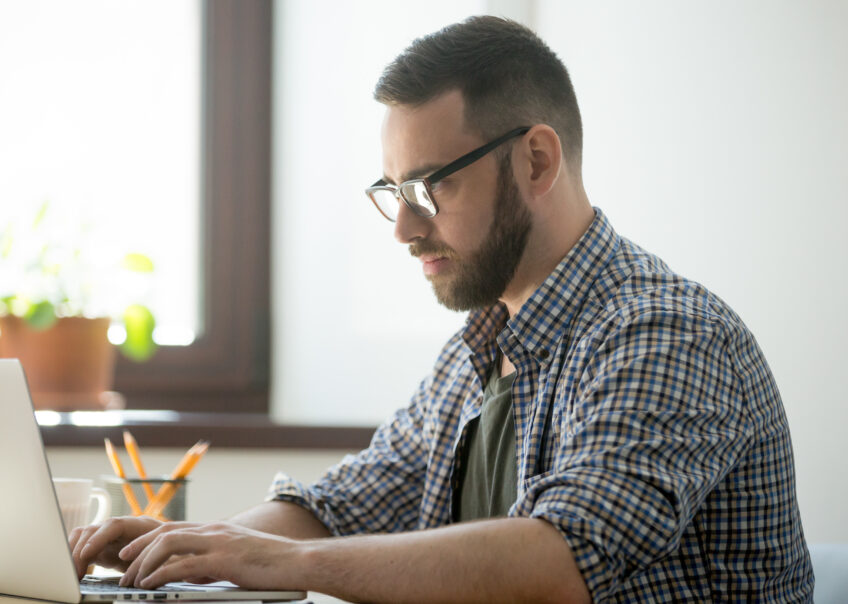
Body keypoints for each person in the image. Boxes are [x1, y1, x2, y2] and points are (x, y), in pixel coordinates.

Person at [69, 16, 814, 602]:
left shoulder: (665, 331)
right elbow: (341, 507)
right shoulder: (475, 352)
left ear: (537, 161)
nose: (403, 225)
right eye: (392, 192)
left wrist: (280, 561)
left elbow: (560, 562)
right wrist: (185, 547)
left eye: (430, 187)